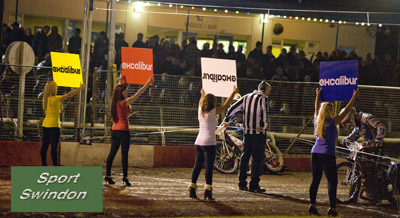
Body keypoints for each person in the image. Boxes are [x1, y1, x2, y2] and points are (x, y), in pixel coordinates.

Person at [308, 88, 359, 217]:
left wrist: (317, 97)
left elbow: (316, 109)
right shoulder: (332, 123)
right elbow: (346, 110)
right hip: (327, 154)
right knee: (332, 182)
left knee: (315, 181)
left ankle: (312, 205)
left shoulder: (317, 121)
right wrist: (354, 97)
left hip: (315, 153)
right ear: (329, 111)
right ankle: (332, 208)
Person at [189, 86, 239, 200]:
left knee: (197, 165)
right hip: (209, 143)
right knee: (209, 168)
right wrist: (233, 92)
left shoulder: (200, 110)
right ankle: (208, 190)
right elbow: (226, 105)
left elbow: (200, 103)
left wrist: (202, 95)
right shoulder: (213, 112)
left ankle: (192, 188)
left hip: (198, 142)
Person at [105, 77, 154, 186]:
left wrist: (120, 80)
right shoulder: (123, 103)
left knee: (112, 154)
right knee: (124, 155)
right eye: (125, 90)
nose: (127, 91)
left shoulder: (114, 103)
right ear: (121, 93)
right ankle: (125, 177)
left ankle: (108, 175)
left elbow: (116, 89)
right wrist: (147, 83)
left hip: (115, 130)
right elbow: (138, 94)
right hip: (123, 131)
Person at [223, 81, 271, 193]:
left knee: (245, 157)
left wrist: (226, 120)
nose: (269, 92)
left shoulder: (246, 97)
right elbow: (264, 113)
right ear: (264, 90)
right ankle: (254, 185)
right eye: (269, 90)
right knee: (257, 159)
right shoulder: (263, 98)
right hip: (258, 134)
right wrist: (263, 126)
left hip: (247, 133)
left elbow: (232, 108)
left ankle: (242, 183)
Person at [41, 81, 84, 166]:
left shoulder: (45, 99)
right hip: (54, 125)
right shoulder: (56, 99)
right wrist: (79, 88)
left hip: (45, 124)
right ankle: (55, 166)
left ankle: (44, 164)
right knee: (54, 147)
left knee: (45, 146)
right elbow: (68, 95)